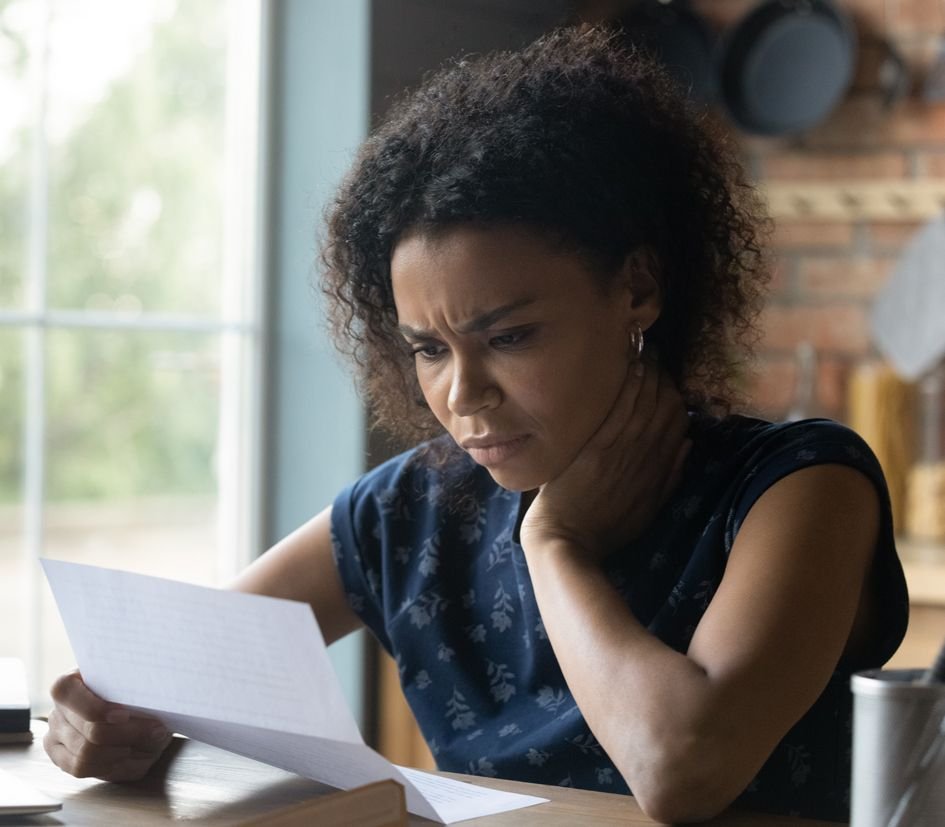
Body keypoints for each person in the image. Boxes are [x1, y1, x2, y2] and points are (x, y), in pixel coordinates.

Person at [43, 26, 908, 823]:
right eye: (427, 348)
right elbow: (158, 678)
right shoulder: (410, 509)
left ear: (638, 288)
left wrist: (554, 544)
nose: (462, 393)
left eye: (509, 336)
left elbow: (682, 768)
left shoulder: (798, 487)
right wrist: (93, 719)